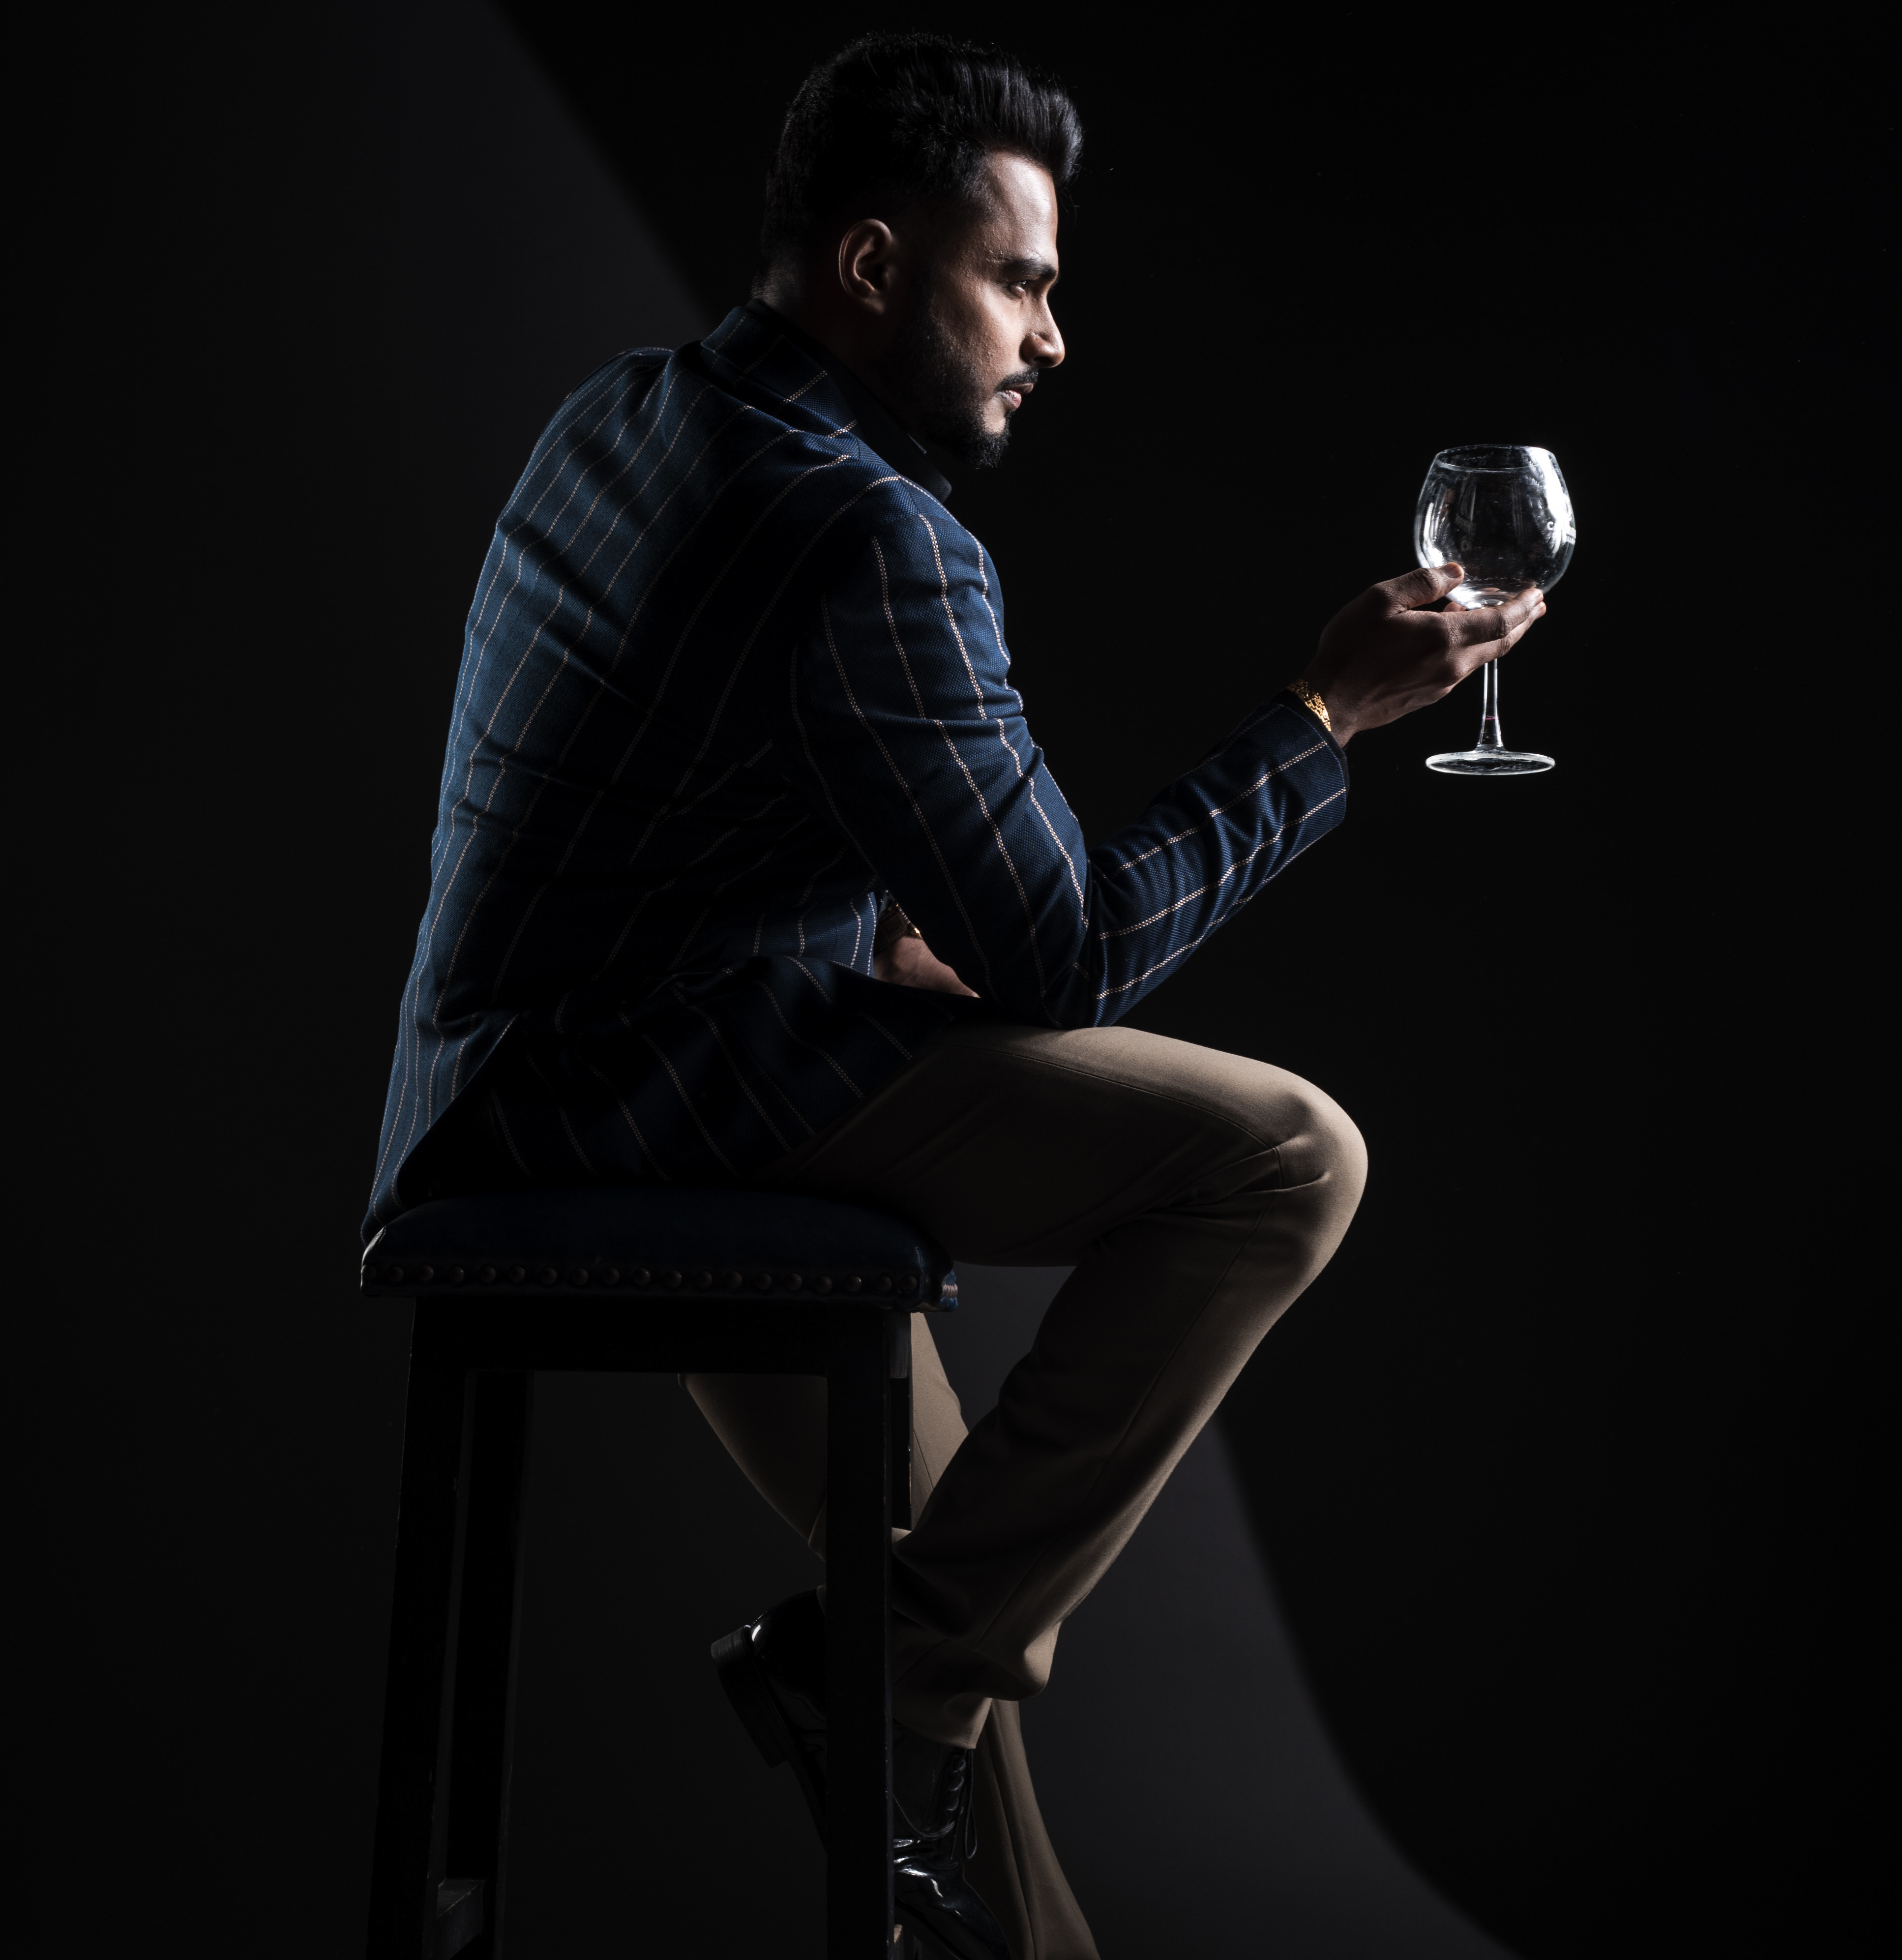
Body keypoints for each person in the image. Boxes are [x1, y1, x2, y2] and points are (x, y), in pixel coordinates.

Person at [365, 31, 1544, 1959]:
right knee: (1287, 1159)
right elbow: (1071, 951)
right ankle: (872, 1678)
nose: (1051, 337)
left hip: (505, 1088)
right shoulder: (875, 535)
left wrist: (868, 946)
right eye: (1018, 280)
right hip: (688, 1103)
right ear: (870, 265)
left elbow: (621, 808)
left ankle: (907, 1713)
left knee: (945, 1578)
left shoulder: (620, 416)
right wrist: (1326, 713)